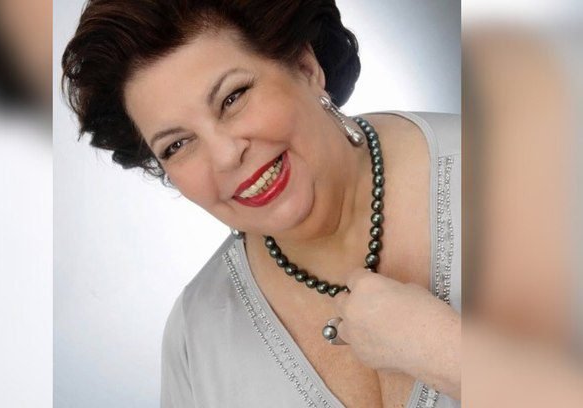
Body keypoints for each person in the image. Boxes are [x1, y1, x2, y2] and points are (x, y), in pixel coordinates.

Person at [62, 1, 461, 407]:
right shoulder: (197, 338)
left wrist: (445, 351)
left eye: (232, 98)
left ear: (306, 67)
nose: (225, 156)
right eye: (177, 145)